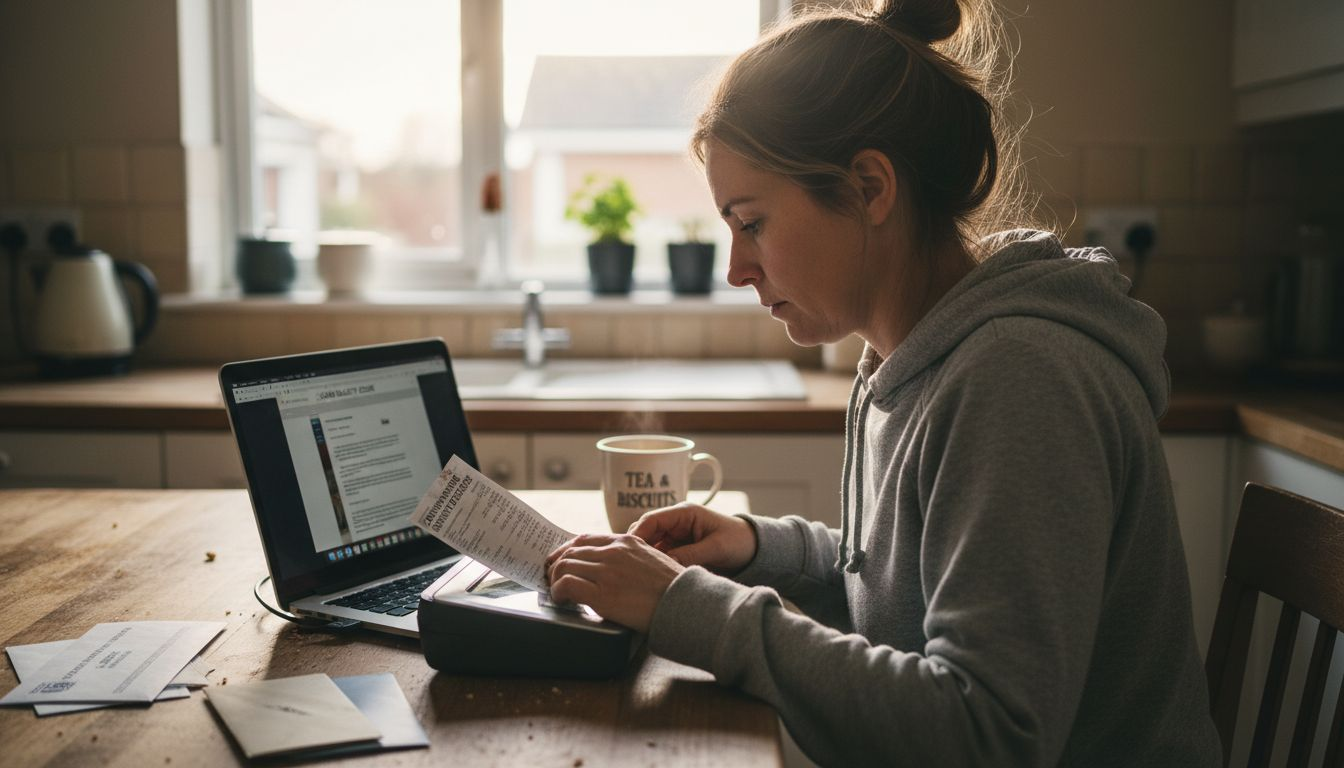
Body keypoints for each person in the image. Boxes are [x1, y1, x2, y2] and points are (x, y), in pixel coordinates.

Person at [545, 0, 1223, 765]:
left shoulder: (1020, 377)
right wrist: (759, 549)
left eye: (753, 222)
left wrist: (687, 608)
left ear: (869, 187)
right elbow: (911, 587)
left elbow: (985, 734)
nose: (735, 268)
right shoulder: (910, 360)